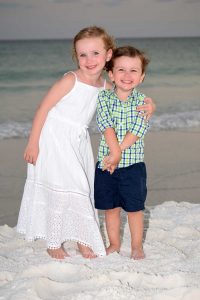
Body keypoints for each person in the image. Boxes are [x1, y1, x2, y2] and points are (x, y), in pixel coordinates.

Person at [17, 26, 155, 260]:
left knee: (84, 188)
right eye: (83, 55)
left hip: (77, 141)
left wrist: (151, 106)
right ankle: (53, 242)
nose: (89, 60)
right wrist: (33, 143)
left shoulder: (105, 87)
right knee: (61, 189)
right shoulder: (71, 80)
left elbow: (127, 93)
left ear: (108, 55)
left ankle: (82, 240)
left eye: (95, 54)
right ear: (76, 57)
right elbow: (43, 109)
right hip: (54, 139)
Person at [94, 46, 150, 260]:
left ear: (142, 76)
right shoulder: (104, 98)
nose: (127, 76)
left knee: (135, 209)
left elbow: (137, 131)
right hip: (106, 163)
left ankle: (137, 246)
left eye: (134, 71)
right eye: (121, 70)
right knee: (110, 208)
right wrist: (113, 155)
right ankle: (114, 244)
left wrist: (117, 153)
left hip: (133, 165)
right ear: (111, 74)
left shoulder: (143, 102)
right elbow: (105, 125)